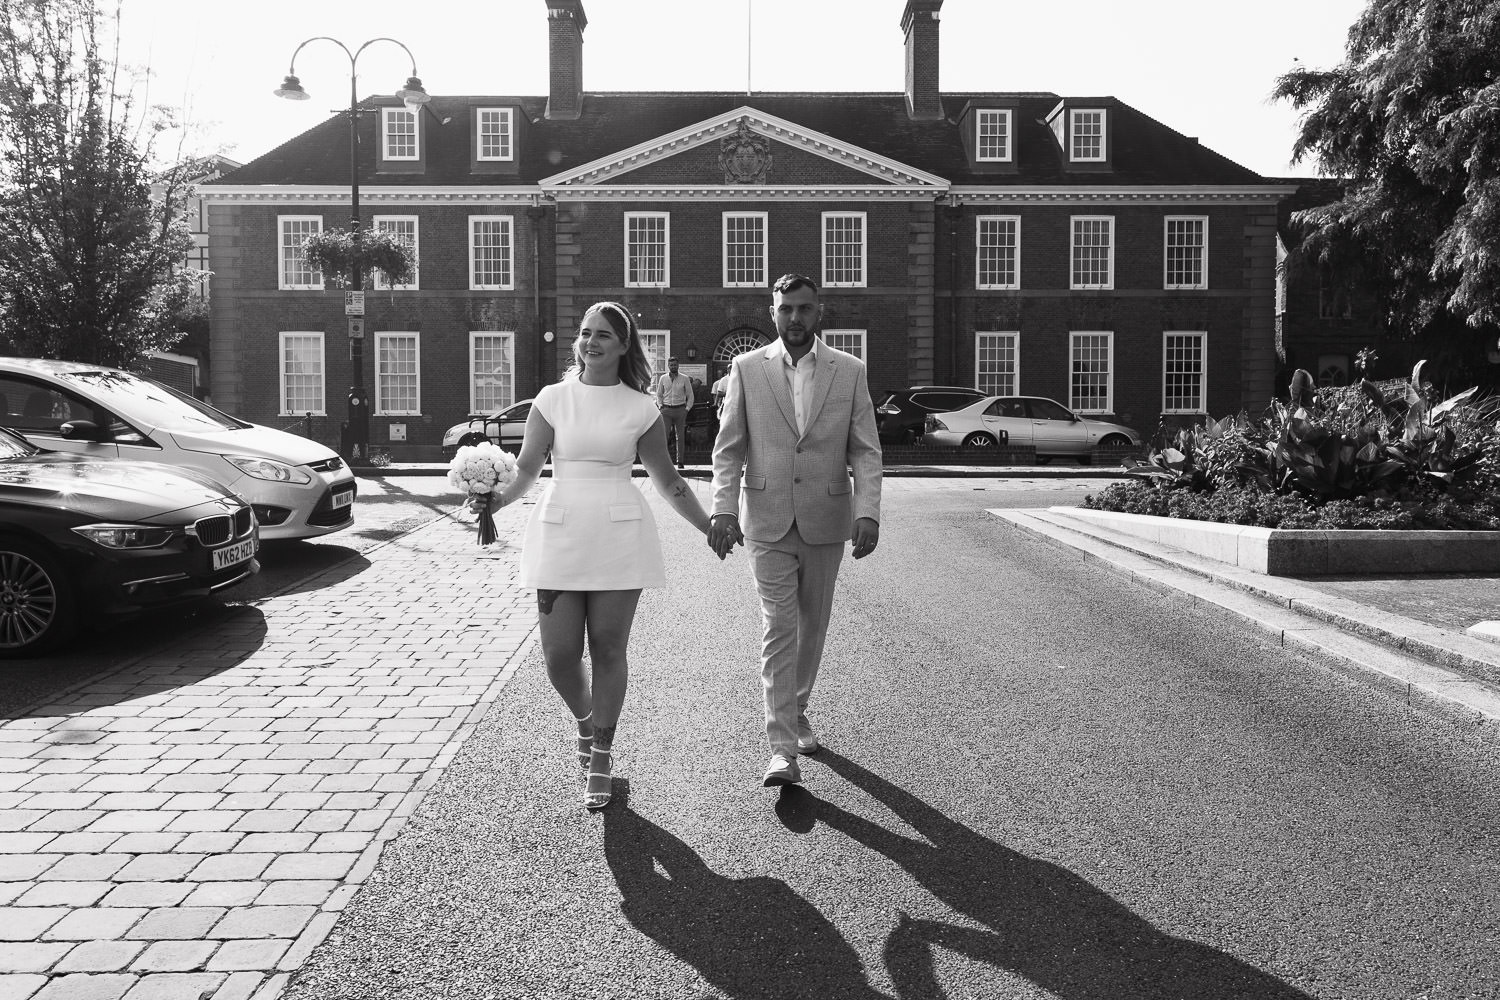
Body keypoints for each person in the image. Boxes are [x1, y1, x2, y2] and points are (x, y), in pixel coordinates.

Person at [490, 302, 722, 810]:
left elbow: (667, 480)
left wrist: (708, 525)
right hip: (559, 531)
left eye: (602, 335)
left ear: (623, 345)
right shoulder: (552, 399)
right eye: (585, 333)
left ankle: (601, 754)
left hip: (619, 535)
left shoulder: (642, 408)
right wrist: (493, 502)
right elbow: (527, 470)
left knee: (609, 649)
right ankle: (584, 719)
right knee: (558, 658)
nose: (590, 342)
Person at [707, 274, 883, 788]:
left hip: (827, 517)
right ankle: (782, 749)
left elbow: (865, 449)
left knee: (812, 627)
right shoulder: (746, 368)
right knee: (779, 627)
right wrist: (723, 509)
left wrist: (867, 510)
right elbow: (729, 447)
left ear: (818, 312)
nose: (795, 319)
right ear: (773, 312)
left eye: (804, 309)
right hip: (765, 516)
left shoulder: (848, 371)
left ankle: (798, 704)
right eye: (786, 309)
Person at [654, 356, 694, 469]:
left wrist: (687, 409)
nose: (673, 367)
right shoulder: (663, 378)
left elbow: (690, 395)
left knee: (680, 436)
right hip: (666, 410)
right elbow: (659, 394)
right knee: (664, 436)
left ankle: (680, 461)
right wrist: (660, 406)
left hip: (680, 410)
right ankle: (664, 462)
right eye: (671, 365)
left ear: (678, 365)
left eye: (675, 365)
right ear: (668, 366)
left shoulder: (684, 378)